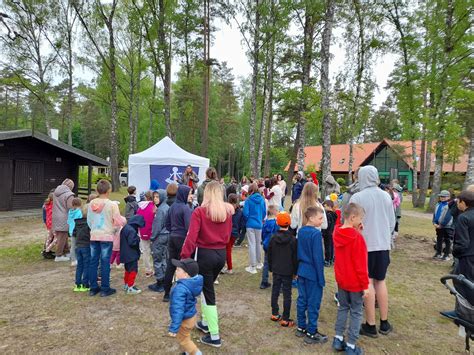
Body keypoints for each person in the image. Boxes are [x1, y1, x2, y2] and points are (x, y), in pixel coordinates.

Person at [181, 181, 234, 348]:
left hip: (205, 254)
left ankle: (215, 335)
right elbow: (228, 235)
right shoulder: (227, 212)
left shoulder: (200, 212)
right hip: (220, 254)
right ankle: (205, 322)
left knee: (208, 293)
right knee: (207, 288)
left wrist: (184, 257)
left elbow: (191, 236)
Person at [349, 165, 395, 337]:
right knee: (380, 281)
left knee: (367, 282)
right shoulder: (386, 196)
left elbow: (352, 222)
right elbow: (391, 222)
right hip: (383, 245)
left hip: (364, 245)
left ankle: (370, 323)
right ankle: (384, 322)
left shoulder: (358, 197)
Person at [332, 203, 369, 354]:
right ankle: (351, 345)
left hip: (342, 280)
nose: (361, 222)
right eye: (360, 218)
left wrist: (356, 230)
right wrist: (365, 285)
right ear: (353, 217)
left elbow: (346, 238)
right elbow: (360, 265)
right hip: (355, 283)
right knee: (356, 312)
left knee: (343, 308)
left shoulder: (336, 232)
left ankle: (338, 338)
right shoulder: (357, 239)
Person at [87, 179, 126, 297]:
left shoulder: (91, 204)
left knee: (93, 261)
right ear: (109, 190)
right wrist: (115, 229)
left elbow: (89, 221)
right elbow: (118, 221)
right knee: (105, 262)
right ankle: (105, 288)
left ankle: (93, 288)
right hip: (107, 236)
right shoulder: (112, 204)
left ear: (96, 190)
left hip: (94, 235)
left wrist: (94, 228)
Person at [295, 206, 327, 344]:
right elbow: (318, 258)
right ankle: (311, 332)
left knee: (302, 299)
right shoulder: (315, 234)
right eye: (320, 218)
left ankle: (301, 327)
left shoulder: (301, 231)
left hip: (302, 271)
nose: (322, 221)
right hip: (313, 273)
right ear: (311, 218)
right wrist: (321, 278)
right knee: (313, 303)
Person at [163, 185, 193, 302]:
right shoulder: (185, 208)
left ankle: (167, 293)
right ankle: (183, 292)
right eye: (189, 193)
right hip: (182, 239)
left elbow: (167, 223)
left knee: (171, 264)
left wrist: (173, 231)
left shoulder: (172, 207)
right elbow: (189, 226)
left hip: (172, 237)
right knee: (184, 265)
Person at [168, 258, 204, 355]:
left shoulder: (180, 289)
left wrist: (174, 327)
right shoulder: (192, 283)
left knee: (184, 340)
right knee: (186, 336)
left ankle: (196, 353)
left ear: (186, 274)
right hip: (191, 315)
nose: (176, 271)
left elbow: (178, 309)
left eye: (178, 270)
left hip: (185, 319)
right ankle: (188, 353)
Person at [268, 211, 297, 327]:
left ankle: (275, 313)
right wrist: (295, 271)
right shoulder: (293, 240)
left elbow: (269, 255)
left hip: (276, 269)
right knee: (287, 293)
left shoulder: (273, 238)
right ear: (289, 223)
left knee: (275, 291)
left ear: (277, 222)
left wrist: (271, 267)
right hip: (288, 271)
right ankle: (285, 318)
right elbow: (295, 258)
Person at [453, 190, 474, 305]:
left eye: (458, 201)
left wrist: (455, 251)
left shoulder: (463, 217)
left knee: (462, 282)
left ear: (463, 202)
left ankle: (464, 311)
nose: (457, 204)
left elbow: (463, 242)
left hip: (467, 256)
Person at [243, 183, 267, 274]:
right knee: (258, 244)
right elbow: (264, 213)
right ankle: (259, 263)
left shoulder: (248, 200)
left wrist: (249, 219)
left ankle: (252, 266)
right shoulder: (262, 199)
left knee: (252, 245)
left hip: (250, 224)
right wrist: (260, 219)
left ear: (250, 190)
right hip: (259, 224)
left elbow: (245, 213)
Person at [149, 189, 170, 292]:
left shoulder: (161, 210)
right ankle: (165, 281)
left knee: (157, 260)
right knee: (164, 259)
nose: (155, 199)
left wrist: (152, 238)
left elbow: (157, 226)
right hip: (167, 236)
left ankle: (160, 282)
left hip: (160, 237)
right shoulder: (167, 207)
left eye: (157, 197)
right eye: (154, 197)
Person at [120, 215, 146, 294]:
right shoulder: (132, 230)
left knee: (127, 269)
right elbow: (132, 242)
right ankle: (130, 287)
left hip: (125, 254)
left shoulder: (125, 228)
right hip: (131, 254)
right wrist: (137, 238)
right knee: (133, 270)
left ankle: (126, 284)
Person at [52, 178, 75, 261]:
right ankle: (58, 255)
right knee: (62, 236)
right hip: (64, 217)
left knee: (62, 235)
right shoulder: (69, 195)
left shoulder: (56, 192)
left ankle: (66, 251)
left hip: (55, 216)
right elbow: (71, 207)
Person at [136, 191, 156, 277]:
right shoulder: (154, 207)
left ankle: (148, 270)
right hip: (153, 232)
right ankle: (156, 268)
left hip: (142, 231)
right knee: (155, 252)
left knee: (145, 251)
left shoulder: (140, 208)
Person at [223, 193, 244, 274]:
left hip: (229, 233)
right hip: (234, 233)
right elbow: (242, 224)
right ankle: (225, 265)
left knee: (227, 250)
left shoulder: (227, 211)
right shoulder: (239, 211)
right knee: (227, 250)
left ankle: (229, 268)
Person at [261, 205, 279, 289]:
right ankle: (277, 282)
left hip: (266, 245)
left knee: (266, 263)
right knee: (276, 264)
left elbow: (263, 234)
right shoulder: (276, 223)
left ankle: (264, 281)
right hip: (275, 246)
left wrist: (264, 241)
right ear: (274, 212)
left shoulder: (265, 223)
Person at [73, 204, 91, 292]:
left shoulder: (77, 223)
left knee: (79, 265)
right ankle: (85, 284)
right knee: (87, 265)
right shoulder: (89, 223)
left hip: (78, 246)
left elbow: (74, 234)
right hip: (86, 246)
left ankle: (78, 284)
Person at [433, 190, 454, 261]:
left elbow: (448, 216)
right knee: (439, 238)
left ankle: (446, 254)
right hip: (438, 225)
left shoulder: (449, 205)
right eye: (441, 196)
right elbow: (435, 214)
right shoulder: (438, 204)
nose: (442, 198)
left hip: (447, 226)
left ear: (449, 197)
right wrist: (434, 222)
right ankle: (438, 252)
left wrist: (442, 224)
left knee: (447, 240)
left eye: (444, 197)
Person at [67, 197, 83, 266]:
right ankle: (76, 259)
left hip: (71, 230)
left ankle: (73, 260)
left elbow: (68, 221)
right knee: (77, 246)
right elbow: (80, 220)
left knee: (72, 246)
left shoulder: (70, 212)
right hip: (78, 230)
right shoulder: (79, 212)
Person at [322, 200, 338, 267]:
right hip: (332, 232)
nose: (324, 208)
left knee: (327, 246)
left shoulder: (328, 215)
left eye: (325, 206)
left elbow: (327, 225)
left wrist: (323, 232)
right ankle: (331, 259)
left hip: (328, 233)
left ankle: (327, 260)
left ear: (329, 206)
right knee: (331, 246)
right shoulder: (334, 215)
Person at [42, 191, 55, 259]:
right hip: (54, 224)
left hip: (48, 224)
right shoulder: (54, 205)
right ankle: (47, 251)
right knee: (56, 239)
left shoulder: (46, 205)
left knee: (49, 238)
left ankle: (45, 250)